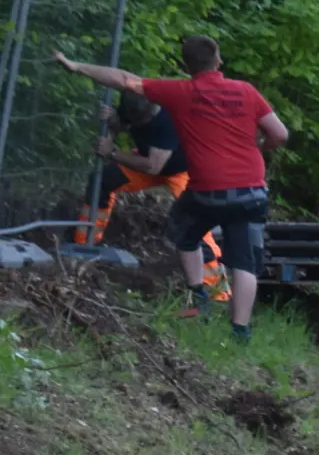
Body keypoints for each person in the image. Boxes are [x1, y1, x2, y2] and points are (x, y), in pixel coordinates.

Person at [54, 35, 289, 344]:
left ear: (186, 67)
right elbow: (280, 134)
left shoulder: (179, 91)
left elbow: (124, 79)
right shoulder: (246, 91)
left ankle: (202, 295)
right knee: (244, 261)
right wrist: (261, 146)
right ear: (218, 61)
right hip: (251, 190)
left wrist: (75, 66)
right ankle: (239, 332)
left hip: (202, 184)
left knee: (185, 230)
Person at [76, 91, 230, 304]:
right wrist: (111, 121)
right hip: (147, 161)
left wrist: (112, 152)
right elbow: (120, 128)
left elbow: (153, 165)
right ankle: (85, 245)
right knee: (101, 180)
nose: (143, 123)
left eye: (146, 119)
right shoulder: (133, 105)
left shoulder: (168, 119)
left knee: (194, 222)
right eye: (139, 120)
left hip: (182, 169)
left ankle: (216, 292)